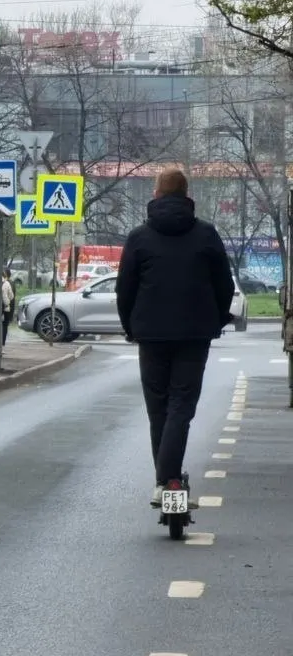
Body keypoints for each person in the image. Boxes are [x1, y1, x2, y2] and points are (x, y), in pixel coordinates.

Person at [116, 168, 235, 505]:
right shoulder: (206, 234)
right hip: (195, 334)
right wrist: (219, 316)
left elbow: (125, 288)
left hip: (150, 335)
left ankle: (164, 481)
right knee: (181, 405)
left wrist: (130, 325)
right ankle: (168, 481)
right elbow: (224, 285)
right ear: (187, 195)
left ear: (155, 195)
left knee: (158, 408)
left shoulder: (139, 237)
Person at [0, 269, 15, 346]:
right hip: (5, 308)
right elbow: (11, 296)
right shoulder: (7, 283)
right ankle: (2, 343)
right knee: (4, 326)